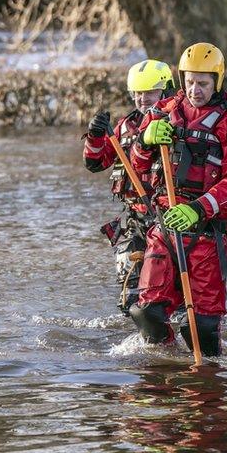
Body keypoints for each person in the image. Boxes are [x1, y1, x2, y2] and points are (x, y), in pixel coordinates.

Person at [129, 43, 227, 356]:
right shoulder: (163, 112)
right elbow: (137, 166)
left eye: (202, 83)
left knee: (200, 328)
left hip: (206, 231)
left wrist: (198, 208)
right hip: (164, 224)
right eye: (189, 82)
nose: (194, 90)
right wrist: (145, 141)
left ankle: (208, 382)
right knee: (147, 313)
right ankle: (165, 373)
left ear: (216, 80)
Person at [83, 59, 175, 317]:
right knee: (129, 296)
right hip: (133, 219)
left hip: (168, 219)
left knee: (168, 290)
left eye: (148, 92)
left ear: (165, 90)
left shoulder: (178, 121)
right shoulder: (126, 126)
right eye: (137, 93)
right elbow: (95, 162)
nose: (141, 99)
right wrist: (94, 136)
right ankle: (139, 343)